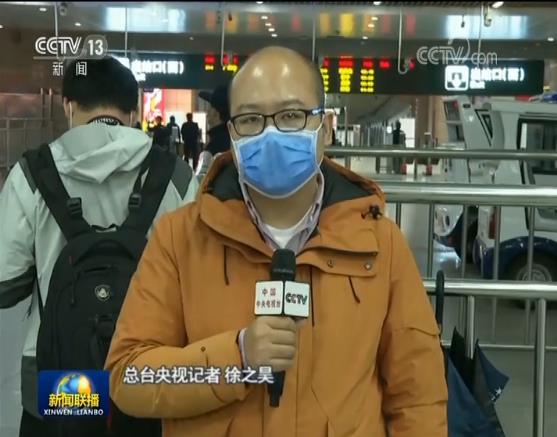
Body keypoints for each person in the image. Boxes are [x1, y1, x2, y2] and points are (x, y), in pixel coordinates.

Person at [106, 46, 447, 436]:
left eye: (291, 115)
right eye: (251, 119)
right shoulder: (179, 239)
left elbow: (418, 397)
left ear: (326, 127)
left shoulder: (380, 244)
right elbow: (129, 376)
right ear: (232, 134)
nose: (270, 134)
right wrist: (238, 358)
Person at [0, 56, 199, 437]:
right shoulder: (175, 176)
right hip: (147, 367)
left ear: (68, 106)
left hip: (59, 373)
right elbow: (194, 278)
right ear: (134, 110)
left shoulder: (31, 174)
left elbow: (6, 283)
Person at [200, 84, 231, 156]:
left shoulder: (215, 147)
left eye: (210, 107)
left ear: (216, 112)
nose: (207, 112)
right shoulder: (232, 141)